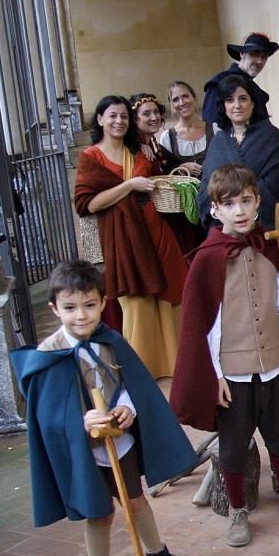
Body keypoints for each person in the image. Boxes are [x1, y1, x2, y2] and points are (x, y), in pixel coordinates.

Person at [9, 261, 195, 556]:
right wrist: (80, 420)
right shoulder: (49, 355)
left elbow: (130, 384)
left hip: (118, 442)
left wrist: (128, 407)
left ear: (103, 302)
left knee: (136, 500)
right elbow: (48, 415)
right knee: (100, 513)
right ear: (54, 309)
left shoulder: (110, 341)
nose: (81, 316)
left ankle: (158, 555)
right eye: (70, 307)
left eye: (90, 305)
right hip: (84, 451)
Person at [171, 164, 279, 548]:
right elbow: (204, 327)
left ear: (258, 202)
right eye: (230, 204)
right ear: (215, 210)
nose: (239, 210)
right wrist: (215, 377)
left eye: (245, 201)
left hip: (274, 364)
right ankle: (239, 509)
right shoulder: (209, 259)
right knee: (234, 443)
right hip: (234, 372)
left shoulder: (269, 246)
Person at [74, 95, 187, 379]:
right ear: (100, 119)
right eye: (112, 115)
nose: (119, 121)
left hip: (155, 231)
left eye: (124, 116)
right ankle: (142, 371)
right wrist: (129, 185)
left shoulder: (139, 152)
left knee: (169, 295)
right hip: (123, 240)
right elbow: (88, 204)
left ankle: (176, 365)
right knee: (135, 302)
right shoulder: (91, 157)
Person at [198, 73, 279, 230]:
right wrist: (227, 209)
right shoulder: (219, 140)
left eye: (243, 98)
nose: (237, 105)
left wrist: (242, 203)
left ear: (253, 103)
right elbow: (207, 184)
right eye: (230, 100)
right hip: (224, 227)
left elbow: (277, 183)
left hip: (263, 225)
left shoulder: (270, 135)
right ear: (224, 106)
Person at [130, 92, 200, 255]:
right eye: (146, 114)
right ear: (135, 119)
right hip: (156, 220)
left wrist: (183, 166)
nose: (154, 117)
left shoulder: (153, 144)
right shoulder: (139, 151)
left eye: (156, 112)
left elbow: (168, 167)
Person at [201, 31, 277, 126]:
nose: (260, 61)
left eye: (264, 57)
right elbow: (211, 125)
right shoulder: (219, 82)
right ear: (242, 54)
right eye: (255, 54)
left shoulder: (252, 86)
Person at [159, 80, 216, 176]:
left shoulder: (215, 130)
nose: (182, 103)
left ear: (194, 98)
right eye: (175, 99)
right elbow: (164, 171)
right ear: (172, 106)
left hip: (215, 189)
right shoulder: (167, 137)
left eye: (185, 96)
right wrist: (180, 168)